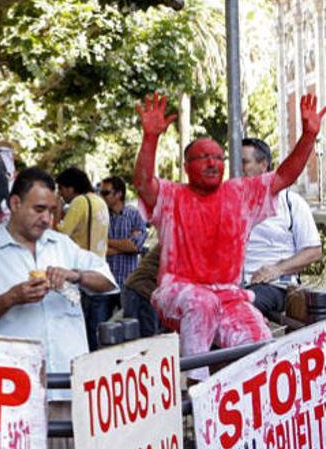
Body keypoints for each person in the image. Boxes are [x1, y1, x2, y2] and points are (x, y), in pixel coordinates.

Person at [133, 92, 324, 381]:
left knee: (259, 344)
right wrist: (150, 139)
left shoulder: (240, 195)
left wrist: (308, 136)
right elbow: (144, 183)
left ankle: (254, 417)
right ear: (187, 167)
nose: (212, 163)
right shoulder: (172, 196)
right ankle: (198, 393)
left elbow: (285, 177)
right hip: (179, 292)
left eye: (217, 157)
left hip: (229, 295)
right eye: (202, 157)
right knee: (201, 304)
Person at [0, 167, 116, 449]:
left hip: (66, 389)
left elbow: (108, 282)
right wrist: (11, 298)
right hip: (12, 395)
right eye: (39, 209)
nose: (47, 219)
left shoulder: (63, 246)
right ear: (15, 204)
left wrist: (76, 276)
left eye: (53, 210)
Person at [241, 138, 322, 318]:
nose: (237, 168)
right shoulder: (231, 201)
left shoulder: (291, 202)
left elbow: (314, 251)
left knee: (240, 307)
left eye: (244, 162)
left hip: (273, 286)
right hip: (233, 285)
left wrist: (278, 268)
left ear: (263, 165)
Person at [55, 166, 114, 349]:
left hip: (83, 273)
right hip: (100, 271)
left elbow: (61, 233)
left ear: (71, 187)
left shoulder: (80, 202)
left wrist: (57, 212)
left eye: (62, 189)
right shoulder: (100, 201)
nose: (61, 195)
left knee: (86, 334)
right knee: (98, 332)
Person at [99, 176, 153, 335]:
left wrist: (108, 241)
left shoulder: (133, 214)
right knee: (103, 330)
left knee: (129, 330)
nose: (102, 196)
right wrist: (124, 245)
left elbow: (135, 245)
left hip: (127, 282)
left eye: (106, 192)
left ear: (119, 194)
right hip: (105, 282)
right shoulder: (102, 216)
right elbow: (98, 248)